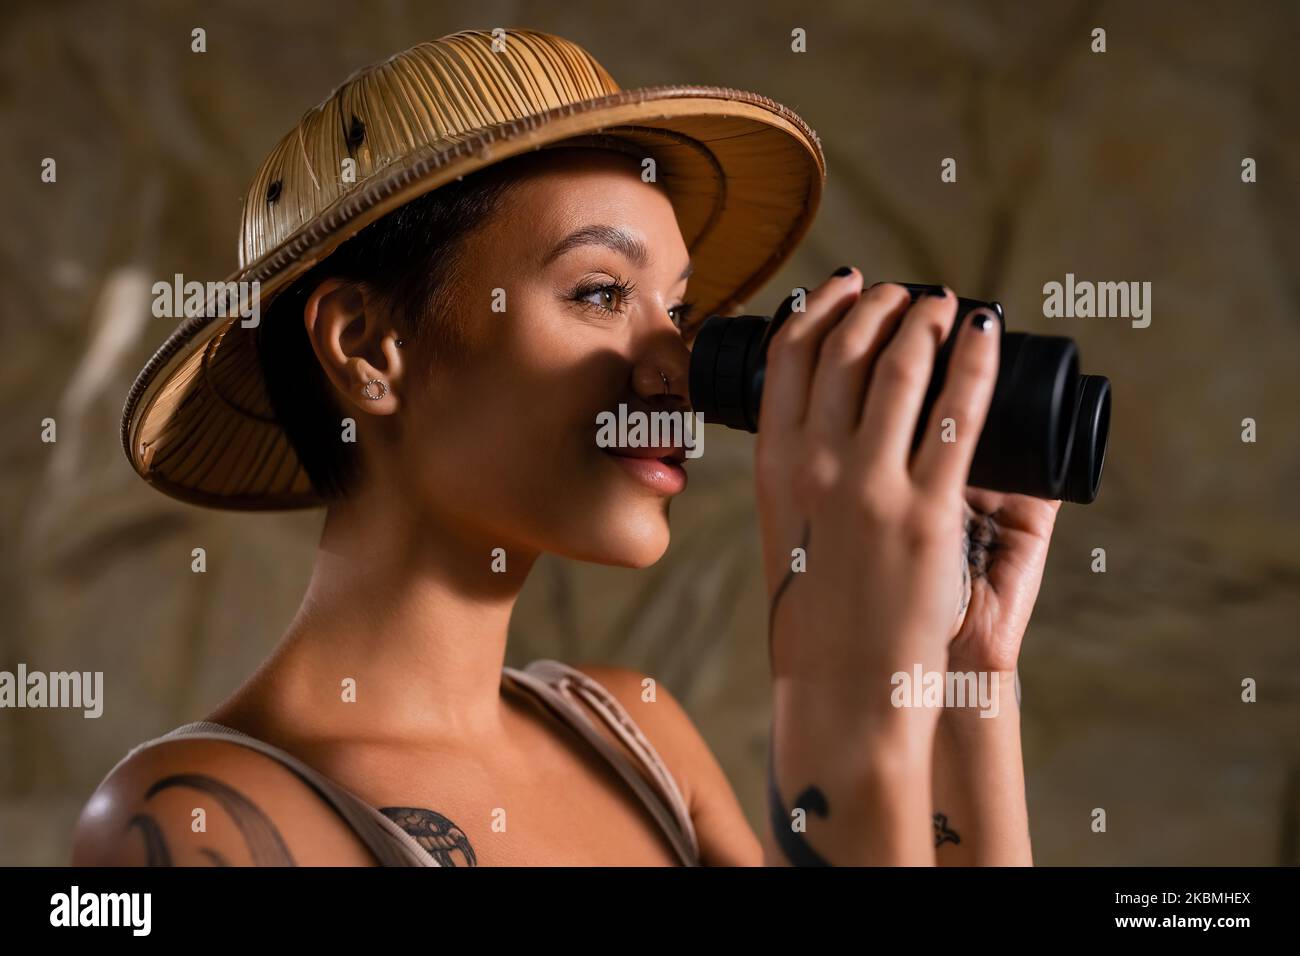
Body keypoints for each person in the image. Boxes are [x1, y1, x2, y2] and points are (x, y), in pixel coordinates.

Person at [72, 28, 1059, 866]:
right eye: (598, 293)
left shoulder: (638, 739)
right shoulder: (193, 820)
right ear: (366, 345)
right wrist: (837, 694)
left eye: (680, 310)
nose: (674, 366)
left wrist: (966, 673)